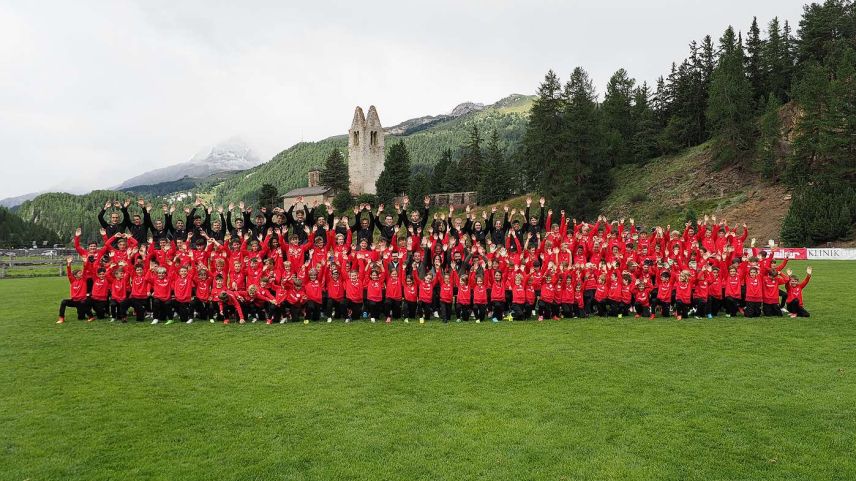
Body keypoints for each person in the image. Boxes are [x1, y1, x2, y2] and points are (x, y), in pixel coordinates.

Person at [58, 257, 90, 323]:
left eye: (81, 273)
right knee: (64, 302)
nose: (81, 274)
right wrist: (69, 263)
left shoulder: (83, 280)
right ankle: (61, 318)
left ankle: (90, 316)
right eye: (79, 273)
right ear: (75, 276)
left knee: (81, 318)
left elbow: (85, 269)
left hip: (81, 302)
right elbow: (69, 273)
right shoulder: (72, 281)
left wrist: (85, 262)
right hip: (74, 301)